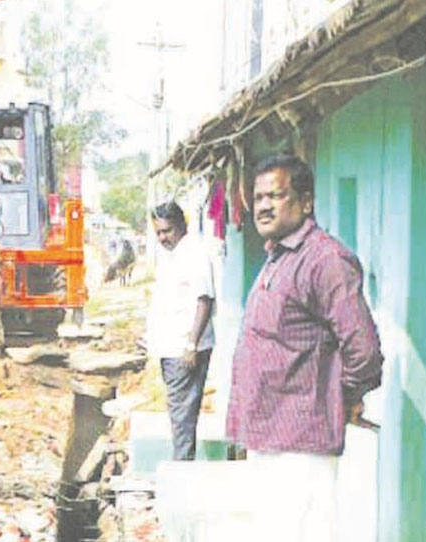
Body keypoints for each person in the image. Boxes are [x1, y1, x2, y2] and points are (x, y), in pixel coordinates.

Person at [225, 155, 383, 541]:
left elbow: (363, 350)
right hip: (269, 433)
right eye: (258, 197)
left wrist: (340, 397)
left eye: (276, 195)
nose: (263, 206)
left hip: (301, 439)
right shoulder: (279, 255)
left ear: (306, 201)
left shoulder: (324, 259)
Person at [146, 201, 216, 460]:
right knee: (180, 411)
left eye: (167, 231)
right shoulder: (173, 254)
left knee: (182, 412)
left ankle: (182, 467)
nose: (163, 237)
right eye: (159, 233)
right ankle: (183, 462)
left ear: (181, 226)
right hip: (172, 348)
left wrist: (191, 344)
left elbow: (204, 299)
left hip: (184, 350)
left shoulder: (194, 253)